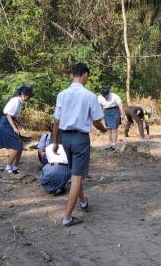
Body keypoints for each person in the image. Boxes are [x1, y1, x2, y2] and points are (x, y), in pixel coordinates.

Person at [52, 62, 107, 227]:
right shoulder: (89, 96)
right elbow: (97, 121)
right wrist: (104, 130)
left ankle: (83, 201)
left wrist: (55, 142)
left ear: (72, 75)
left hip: (65, 138)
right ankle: (67, 217)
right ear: (85, 75)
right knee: (77, 176)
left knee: (75, 171)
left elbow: (56, 121)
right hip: (80, 138)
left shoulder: (62, 94)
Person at [0, 85, 34, 174]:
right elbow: (8, 115)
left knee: (19, 145)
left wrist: (22, 124)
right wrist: (14, 128)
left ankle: (15, 167)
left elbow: (14, 116)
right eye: (28, 96)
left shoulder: (20, 102)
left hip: (9, 122)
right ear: (23, 94)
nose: (28, 98)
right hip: (5, 124)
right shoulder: (16, 100)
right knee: (17, 145)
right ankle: (8, 166)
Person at [98, 85, 123, 150]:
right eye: (103, 95)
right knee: (109, 129)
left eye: (106, 95)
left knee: (114, 129)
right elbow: (100, 107)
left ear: (108, 93)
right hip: (106, 112)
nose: (105, 97)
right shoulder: (100, 97)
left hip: (115, 111)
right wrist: (100, 116)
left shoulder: (115, 96)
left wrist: (122, 114)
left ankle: (114, 145)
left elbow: (120, 105)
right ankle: (111, 144)